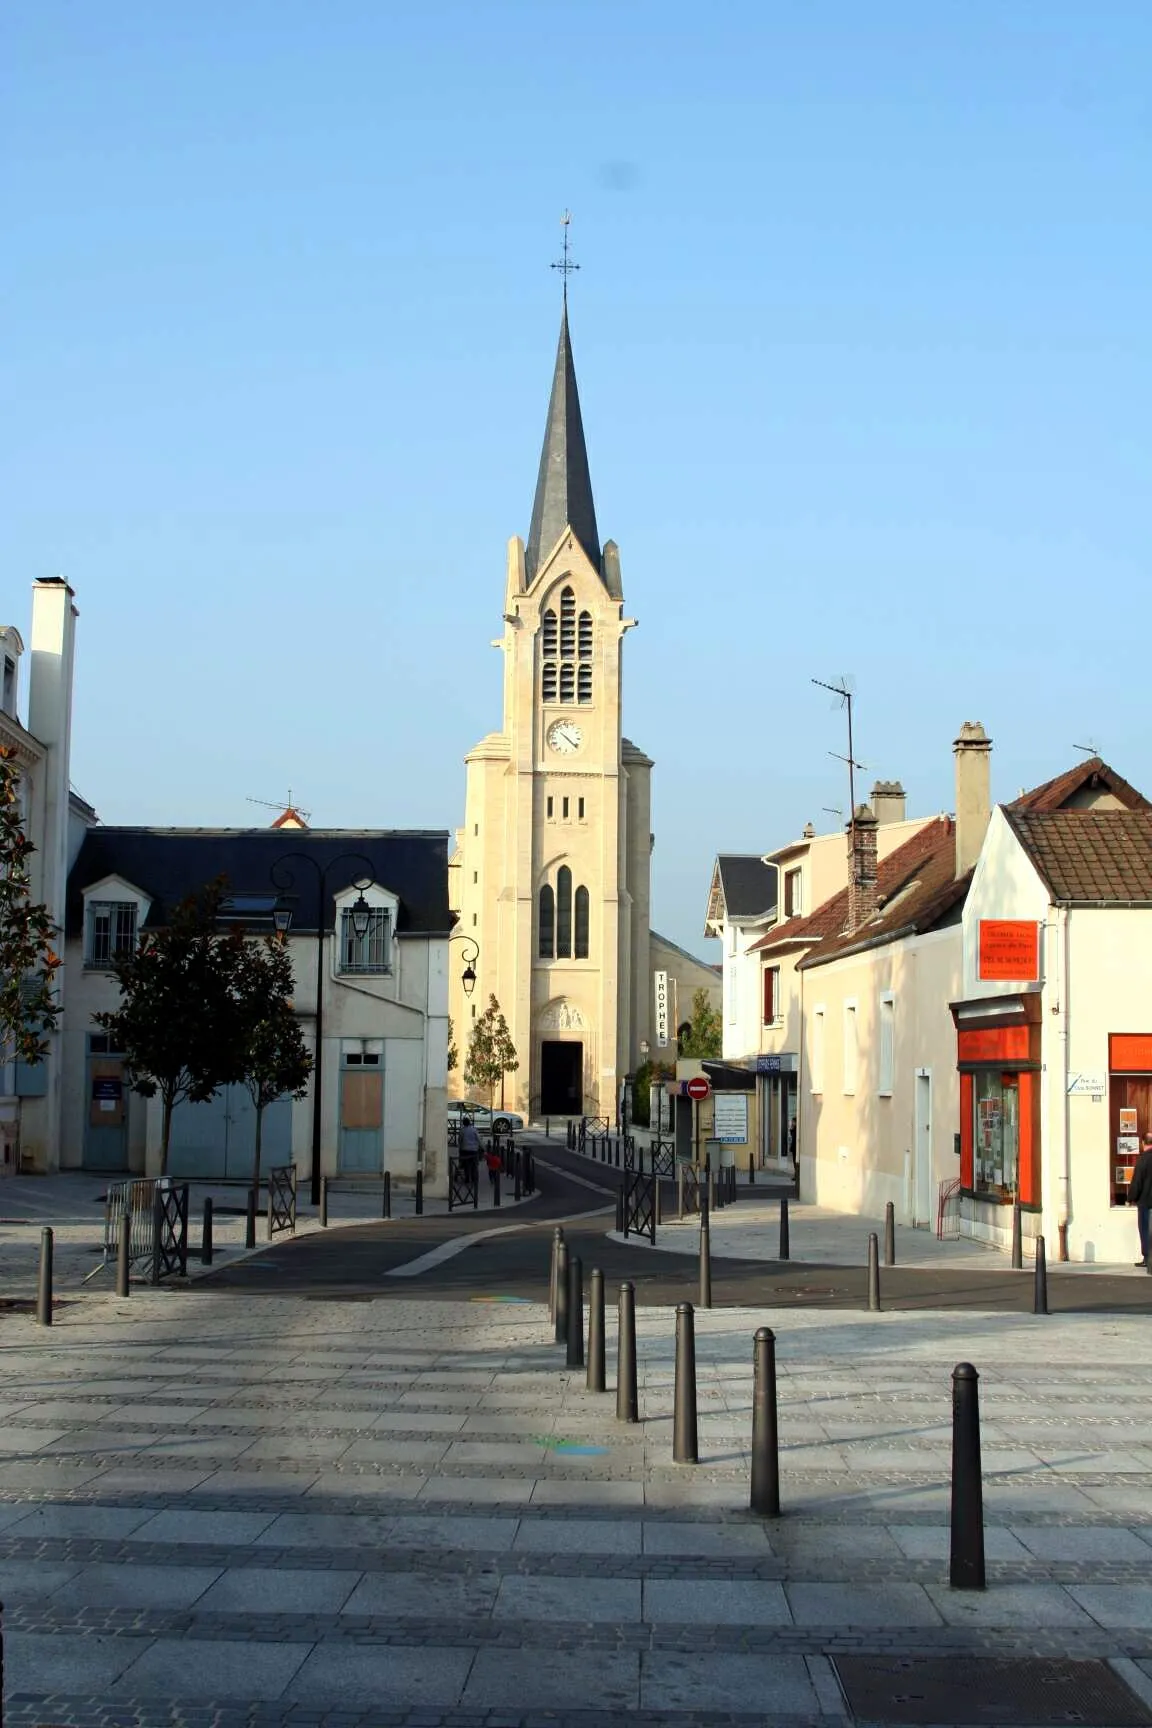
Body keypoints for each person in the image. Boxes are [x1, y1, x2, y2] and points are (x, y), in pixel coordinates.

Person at [1128, 1134, 1152, 1266]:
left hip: (1145, 1202)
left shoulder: (1142, 1160)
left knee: (1145, 1230)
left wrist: (1130, 1198)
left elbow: (1137, 1182)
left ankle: (1148, 1258)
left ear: (1143, 1143)